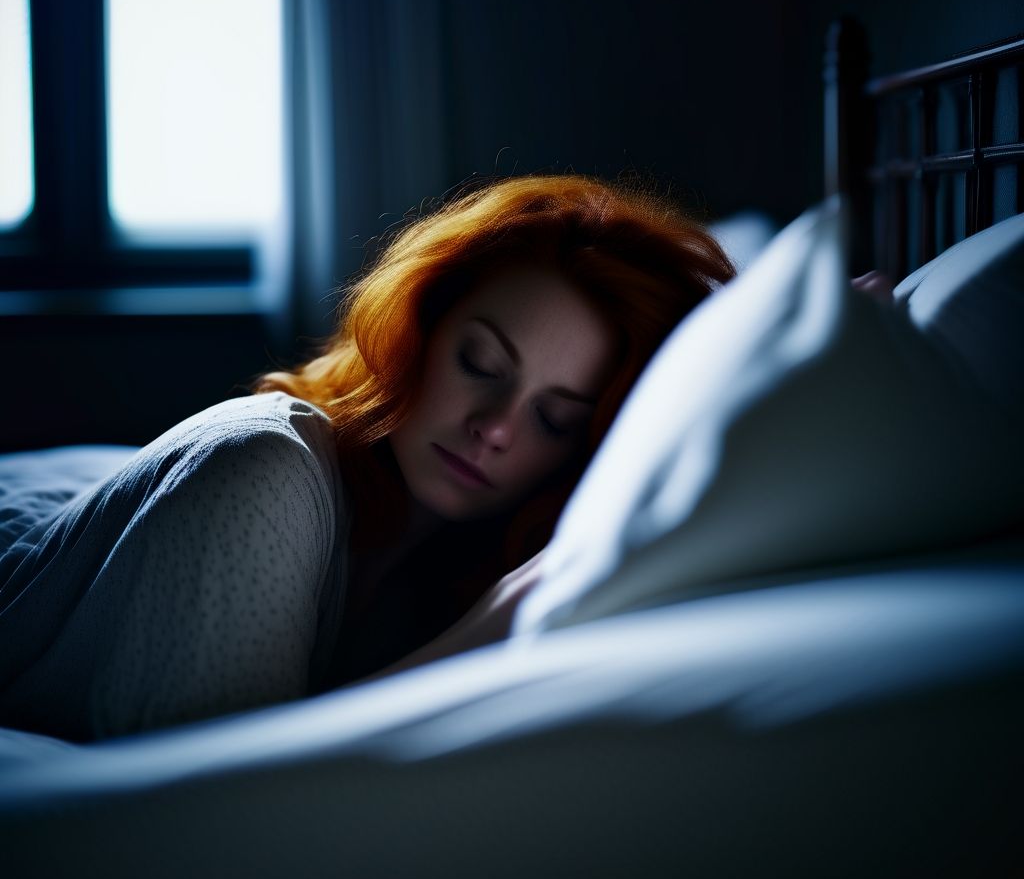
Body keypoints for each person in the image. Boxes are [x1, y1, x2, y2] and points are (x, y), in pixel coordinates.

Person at [0, 174, 734, 740]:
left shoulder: (439, 564)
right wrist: (500, 621)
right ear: (414, 333)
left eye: (554, 419)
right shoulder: (264, 474)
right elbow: (213, 814)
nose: (495, 428)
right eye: (479, 363)